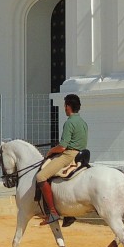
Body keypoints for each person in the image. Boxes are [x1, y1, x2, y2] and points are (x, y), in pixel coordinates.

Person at [35, 93, 88, 225]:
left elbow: (63, 147)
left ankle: (53, 212)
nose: (64, 108)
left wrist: (51, 151)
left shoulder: (69, 122)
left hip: (69, 155)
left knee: (41, 177)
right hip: (81, 154)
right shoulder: (82, 122)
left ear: (68, 106)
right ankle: (68, 214)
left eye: (65, 105)